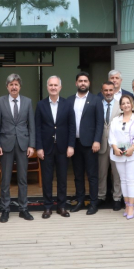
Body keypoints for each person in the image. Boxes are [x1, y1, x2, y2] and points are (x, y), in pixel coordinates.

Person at [0, 73, 36, 223]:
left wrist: (31, 145)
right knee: (5, 179)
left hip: (23, 144)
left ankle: (23, 209)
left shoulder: (27, 102)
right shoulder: (0, 102)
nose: (14, 87)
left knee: (22, 178)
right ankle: (5, 209)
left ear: (20, 86)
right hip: (5, 144)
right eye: (11, 84)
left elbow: (31, 125)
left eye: (16, 84)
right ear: (7, 86)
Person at [35, 76, 76, 218]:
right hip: (46, 148)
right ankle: (47, 207)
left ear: (60, 87)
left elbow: (72, 126)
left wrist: (71, 145)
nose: (53, 87)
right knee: (47, 179)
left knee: (62, 178)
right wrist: (39, 147)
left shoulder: (67, 104)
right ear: (47, 87)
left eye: (56, 85)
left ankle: (61, 206)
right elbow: (37, 127)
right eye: (51, 85)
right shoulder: (41, 105)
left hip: (63, 148)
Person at [68, 72, 104, 215]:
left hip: (90, 144)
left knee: (92, 175)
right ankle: (80, 201)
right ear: (76, 83)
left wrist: (97, 140)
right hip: (75, 143)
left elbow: (99, 123)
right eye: (80, 81)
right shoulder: (69, 100)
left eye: (85, 81)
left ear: (89, 83)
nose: (83, 83)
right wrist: (69, 144)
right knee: (78, 175)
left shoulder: (96, 100)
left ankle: (93, 203)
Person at [109, 95, 134, 219]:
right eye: (123, 103)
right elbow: (111, 136)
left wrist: (132, 148)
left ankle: (131, 206)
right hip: (119, 153)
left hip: (133, 154)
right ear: (120, 106)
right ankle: (126, 204)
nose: (126, 105)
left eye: (128, 103)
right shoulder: (115, 120)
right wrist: (115, 148)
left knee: (131, 180)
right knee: (123, 180)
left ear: (132, 104)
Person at [98, 81, 123, 210]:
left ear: (114, 91)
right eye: (106, 90)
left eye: (110, 90)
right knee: (101, 173)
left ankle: (117, 198)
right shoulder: (97, 104)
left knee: (117, 174)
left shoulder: (121, 105)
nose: (108, 93)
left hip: (116, 145)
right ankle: (101, 196)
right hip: (101, 144)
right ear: (102, 92)